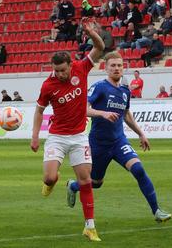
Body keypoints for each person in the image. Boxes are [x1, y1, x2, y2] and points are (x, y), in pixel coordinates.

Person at [66, 52, 172, 223]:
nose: (116, 68)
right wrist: (103, 113)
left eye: (119, 65)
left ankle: (157, 211)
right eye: (113, 65)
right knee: (96, 182)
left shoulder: (125, 91)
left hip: (118, 141)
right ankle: (73, 185)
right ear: (106, 68)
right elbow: (83, 109)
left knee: (138, 170)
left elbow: (127, 115)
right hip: (99, 143)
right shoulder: (99, 87)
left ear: (123, 68)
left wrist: (141, 133)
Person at [31, 18, 105, 242]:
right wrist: (35, 136)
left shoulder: (82, 68)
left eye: (62, 70)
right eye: (56, 70)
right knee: (49, 177)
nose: (59, 74)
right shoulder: (48, 85)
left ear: (70, 65)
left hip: (79, 136)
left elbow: (101, 48)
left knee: (85, 180)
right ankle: (52, 182)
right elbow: (38, 111)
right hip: (57, 137)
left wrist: (91, 32)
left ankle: (89, 227)